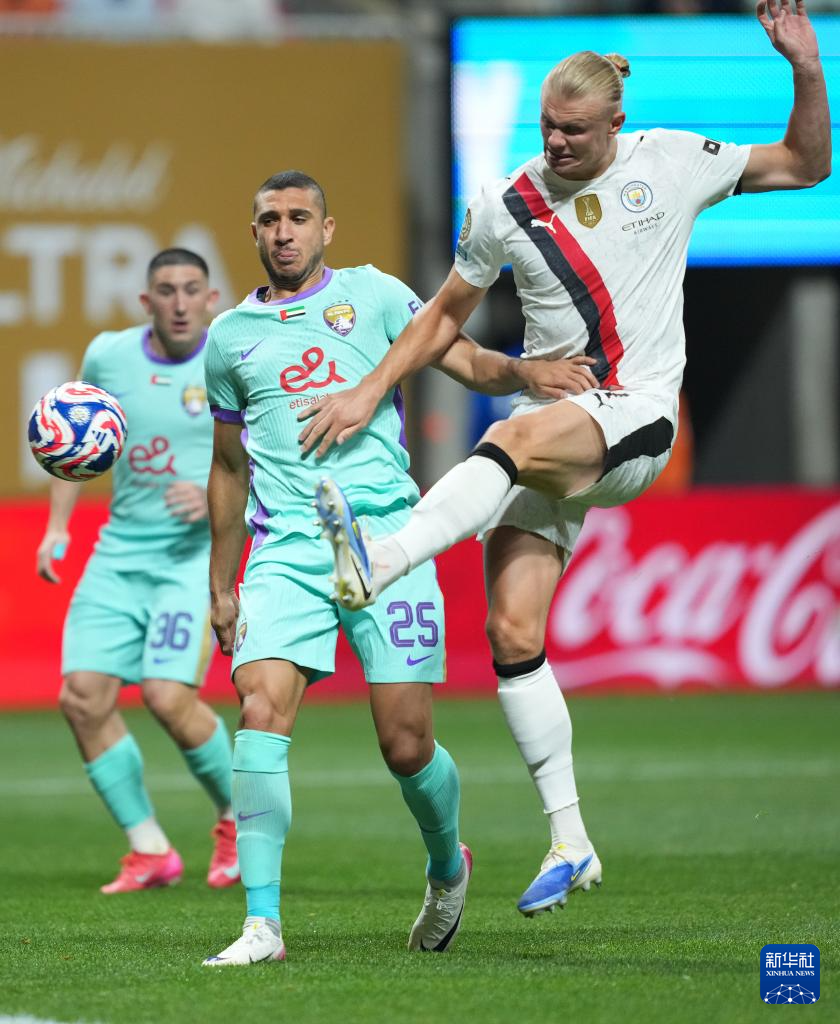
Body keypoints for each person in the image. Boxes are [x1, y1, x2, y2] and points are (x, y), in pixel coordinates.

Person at [302, 0, 831, 917]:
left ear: (616, 123)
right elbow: (442, 316)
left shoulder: (672, 161)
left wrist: (807, 70)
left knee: (507, 437)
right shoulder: (503, 205)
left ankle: (380, 562)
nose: (556, 142)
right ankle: (572, 842)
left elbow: (807, 164)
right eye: (547, 125)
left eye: (575, 130)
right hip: (558, 428)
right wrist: (368, 389)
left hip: (636, 417)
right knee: (512, 634)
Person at [200, 170, 581, 966]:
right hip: (286, 551)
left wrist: (524, 373)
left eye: (298, 217)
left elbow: (464, 359)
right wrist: (221, 584)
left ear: (326, 229)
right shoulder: (230, 338)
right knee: (259, 711)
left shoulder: (373, 297)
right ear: (254, 231)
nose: (283, 232)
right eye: (269, 219)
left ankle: (447, 867)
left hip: (388, 541)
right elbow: (229, 468)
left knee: (405, 745)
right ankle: (262, 925)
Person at [36, 249, 240, 894]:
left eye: (191, 289)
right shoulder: (108, 355)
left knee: (167, 697)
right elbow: (70, 441)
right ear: (146, 301)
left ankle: (238, 819)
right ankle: (149, 848)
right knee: (82, 698)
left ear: (211, 299)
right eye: (165, 291)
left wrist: (209, 496)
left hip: (191, 561)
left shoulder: (232, 357)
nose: (179, 303)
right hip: (119, 555)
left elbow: (268, 453)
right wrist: (58, 527)